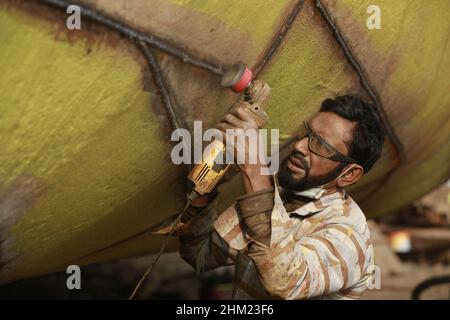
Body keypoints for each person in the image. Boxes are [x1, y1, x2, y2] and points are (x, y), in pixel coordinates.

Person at [155, 94, 385, 299]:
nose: (300, 146)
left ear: (349, 174)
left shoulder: (347, 233)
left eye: (321, 144)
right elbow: (201, 255)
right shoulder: (278, 202)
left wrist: (254, 168)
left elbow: (286, 283)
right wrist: (208, 181)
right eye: (307, 133)